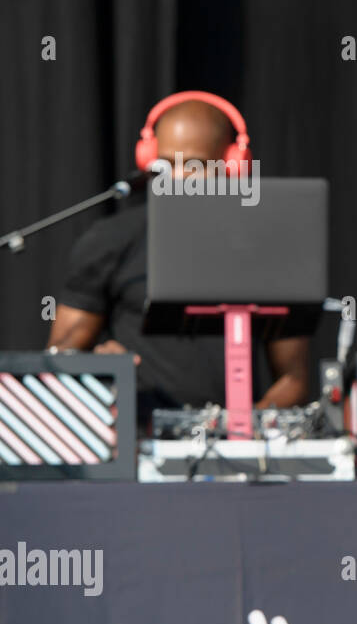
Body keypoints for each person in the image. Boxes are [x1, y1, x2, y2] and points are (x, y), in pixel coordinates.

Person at [47, 93, 312, 431]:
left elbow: (293, 379)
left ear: (232, 164)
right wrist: (100, 369)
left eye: (194, 165)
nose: (176, 178)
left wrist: (236, 432)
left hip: (236, 453)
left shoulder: (268, 248)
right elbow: (59, 354)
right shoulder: (110, 239)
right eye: (166, 164)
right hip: (136, 445)